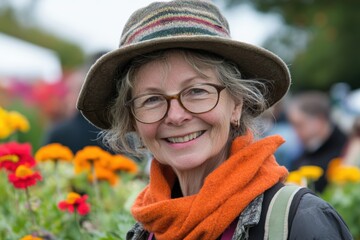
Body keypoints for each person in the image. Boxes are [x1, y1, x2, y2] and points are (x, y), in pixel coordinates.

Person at [77, 1, 352, 239]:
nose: (176, 115)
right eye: (152, 99)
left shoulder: (301, 223)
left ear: (236, 104)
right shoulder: (147, 227)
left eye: (197, 91)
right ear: (133, 119)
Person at [42, 51, 110, 153]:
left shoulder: (60, 133)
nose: (66, 99)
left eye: (71, 91)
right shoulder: (116, 134)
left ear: (84, 94)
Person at [286, 90, 348, 193]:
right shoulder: (310, 148)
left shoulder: (346, 151)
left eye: (299, 124)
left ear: (319, 121)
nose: (294, 132)